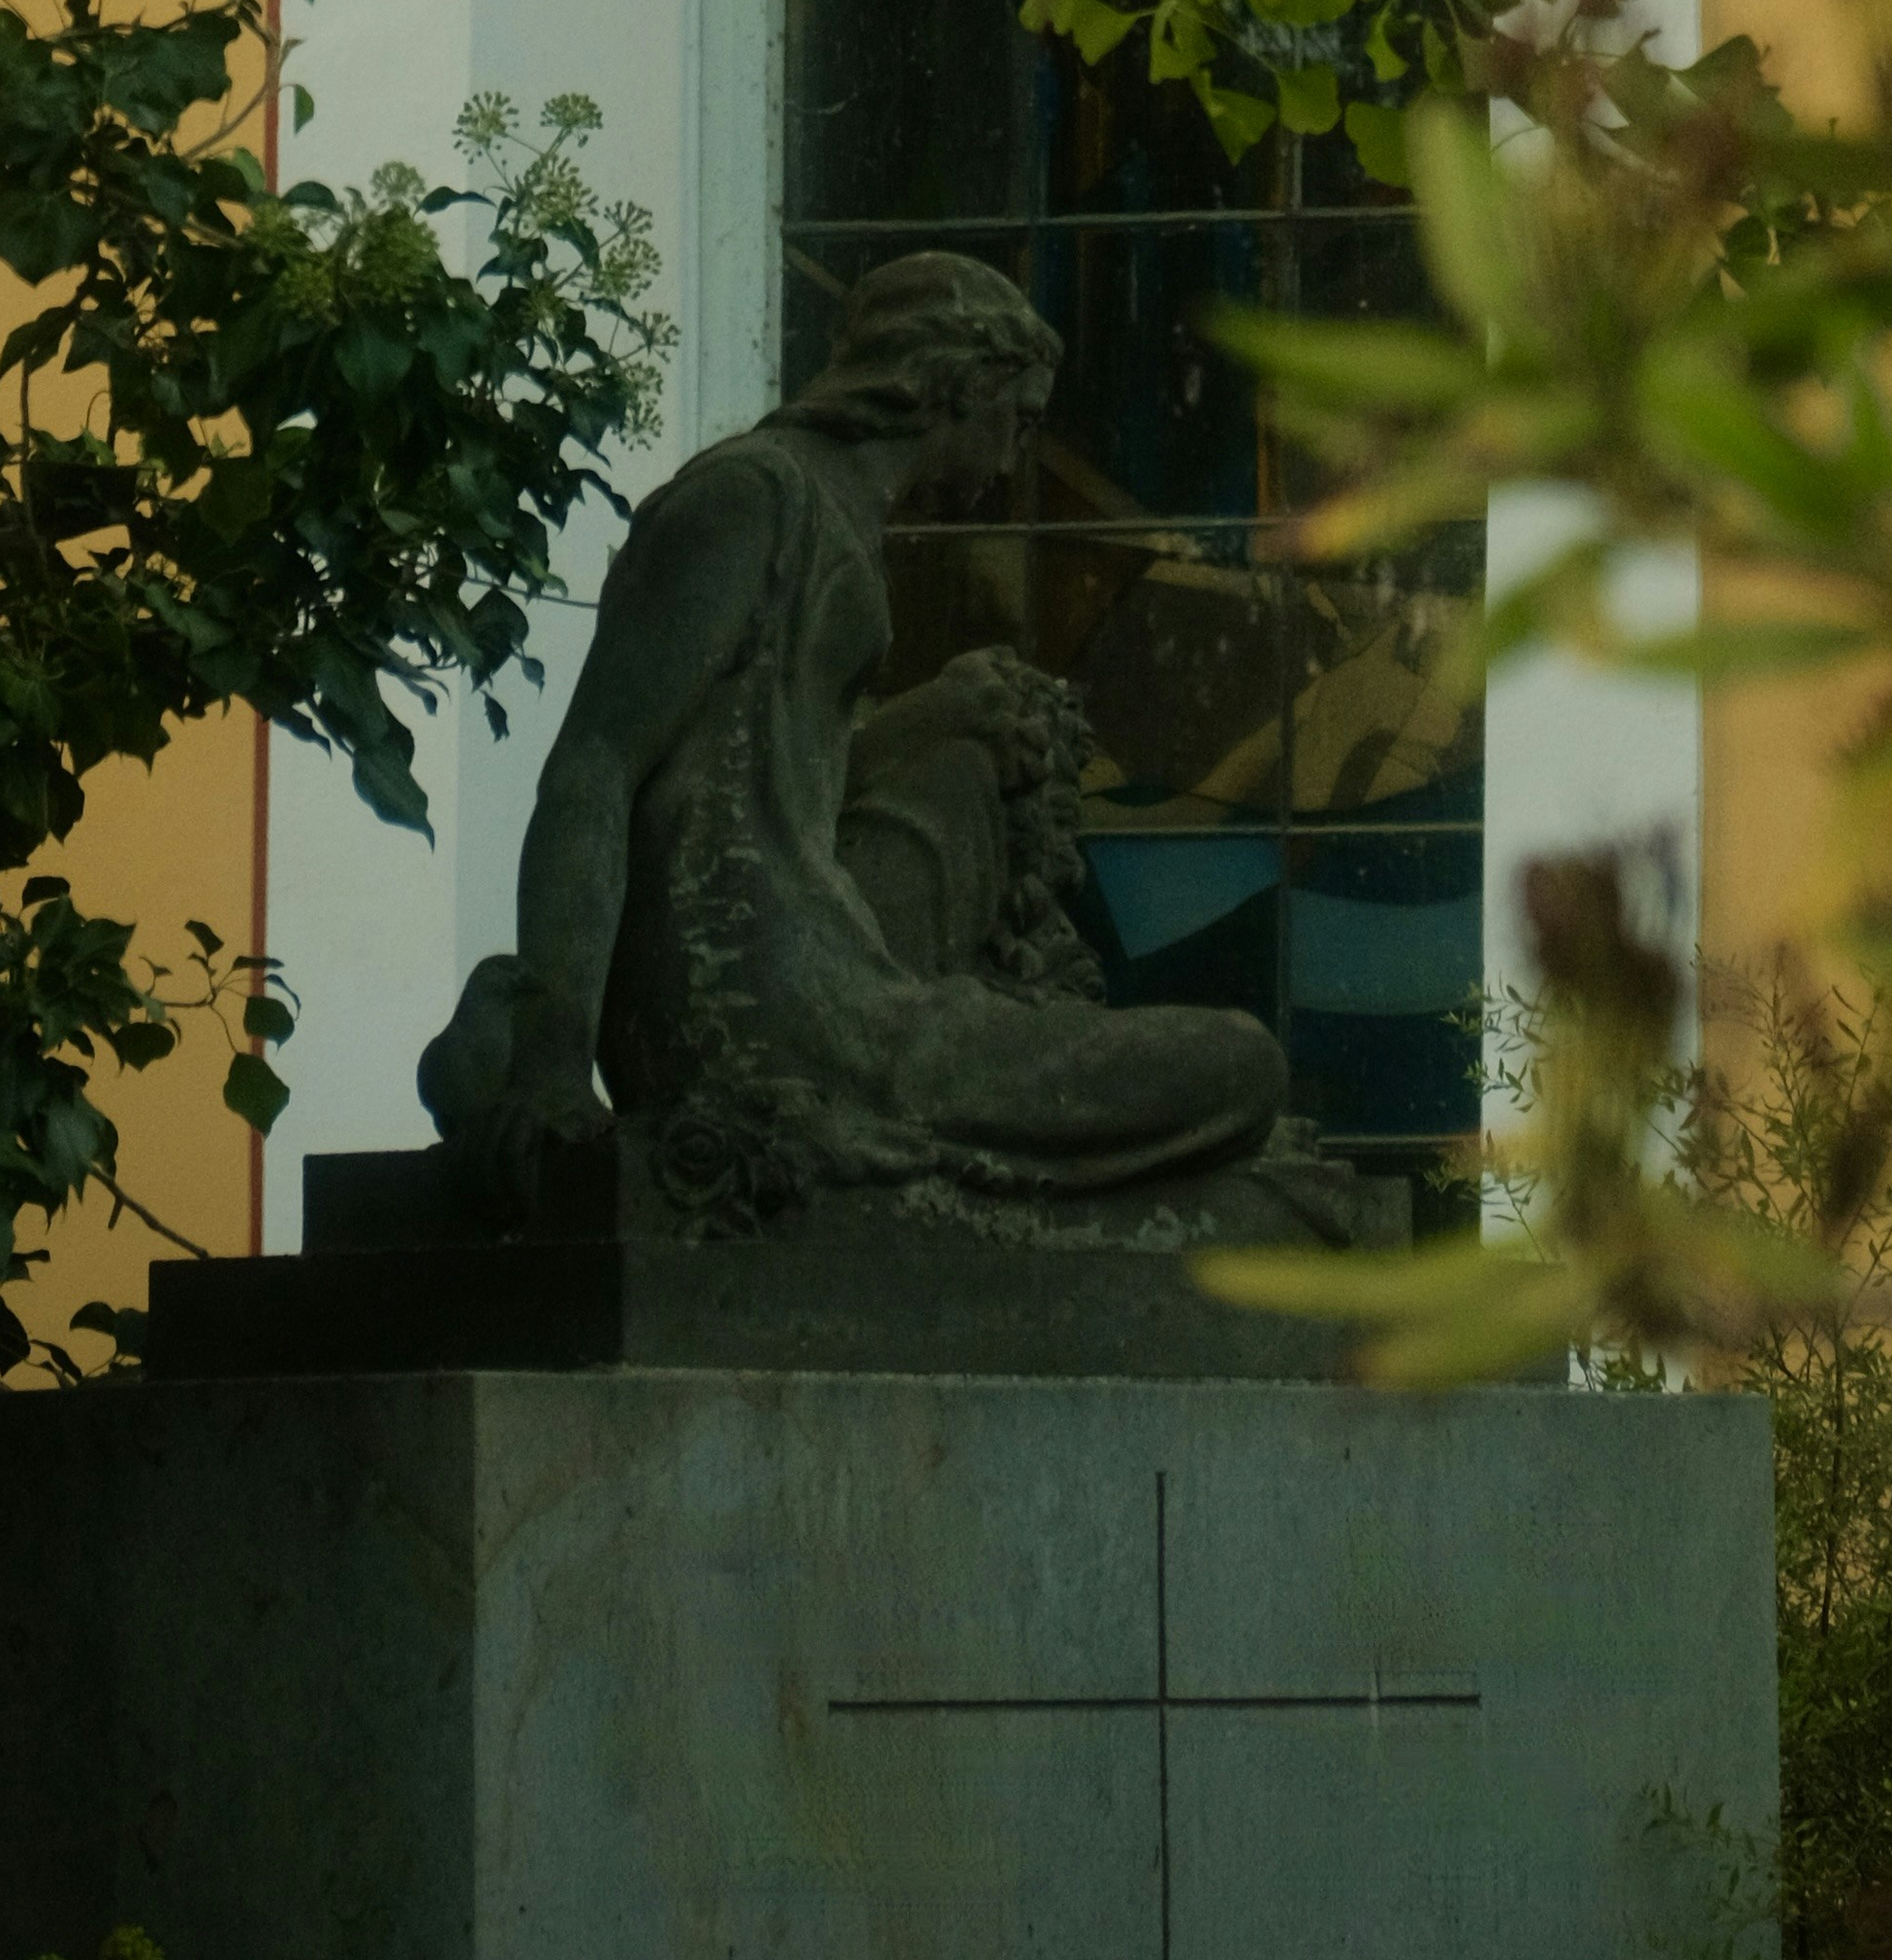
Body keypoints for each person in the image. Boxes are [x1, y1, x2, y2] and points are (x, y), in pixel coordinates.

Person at [418, 242, 1302, 1226]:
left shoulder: (835, 520)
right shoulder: (752, 498)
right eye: (1016, 422)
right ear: (955, 383)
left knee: (1213, 1055)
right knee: (1238, 1063)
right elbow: (595, 762)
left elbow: (779, 794)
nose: (1016, 460)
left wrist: (937, 718)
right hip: (761, 1017)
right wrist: (553, 1061)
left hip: (832, 986)